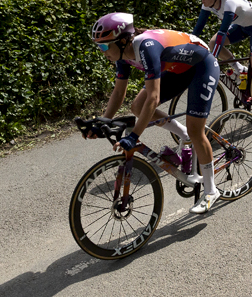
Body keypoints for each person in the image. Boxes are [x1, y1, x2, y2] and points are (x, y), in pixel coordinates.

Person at [88, 12, 222, 214]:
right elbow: (118, 92)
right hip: (177, 69)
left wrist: (134, 137)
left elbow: (154, 98)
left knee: (197, 131)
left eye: (105, 45)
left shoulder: (146, 47)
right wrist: (103, 122)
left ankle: (211, 190)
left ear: (123, 40)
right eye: (98, 46)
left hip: (201, 66)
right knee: (137, 107)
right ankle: (183, 134)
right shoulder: (123, 55)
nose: (101, 51)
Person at [192, 0, 252, 118]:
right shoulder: (207, 4)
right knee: (212, 42)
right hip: (241, 26)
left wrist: (213, 59)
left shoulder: (229, 3)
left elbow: (222, 32)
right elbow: (198, 29)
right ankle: (240, 69)